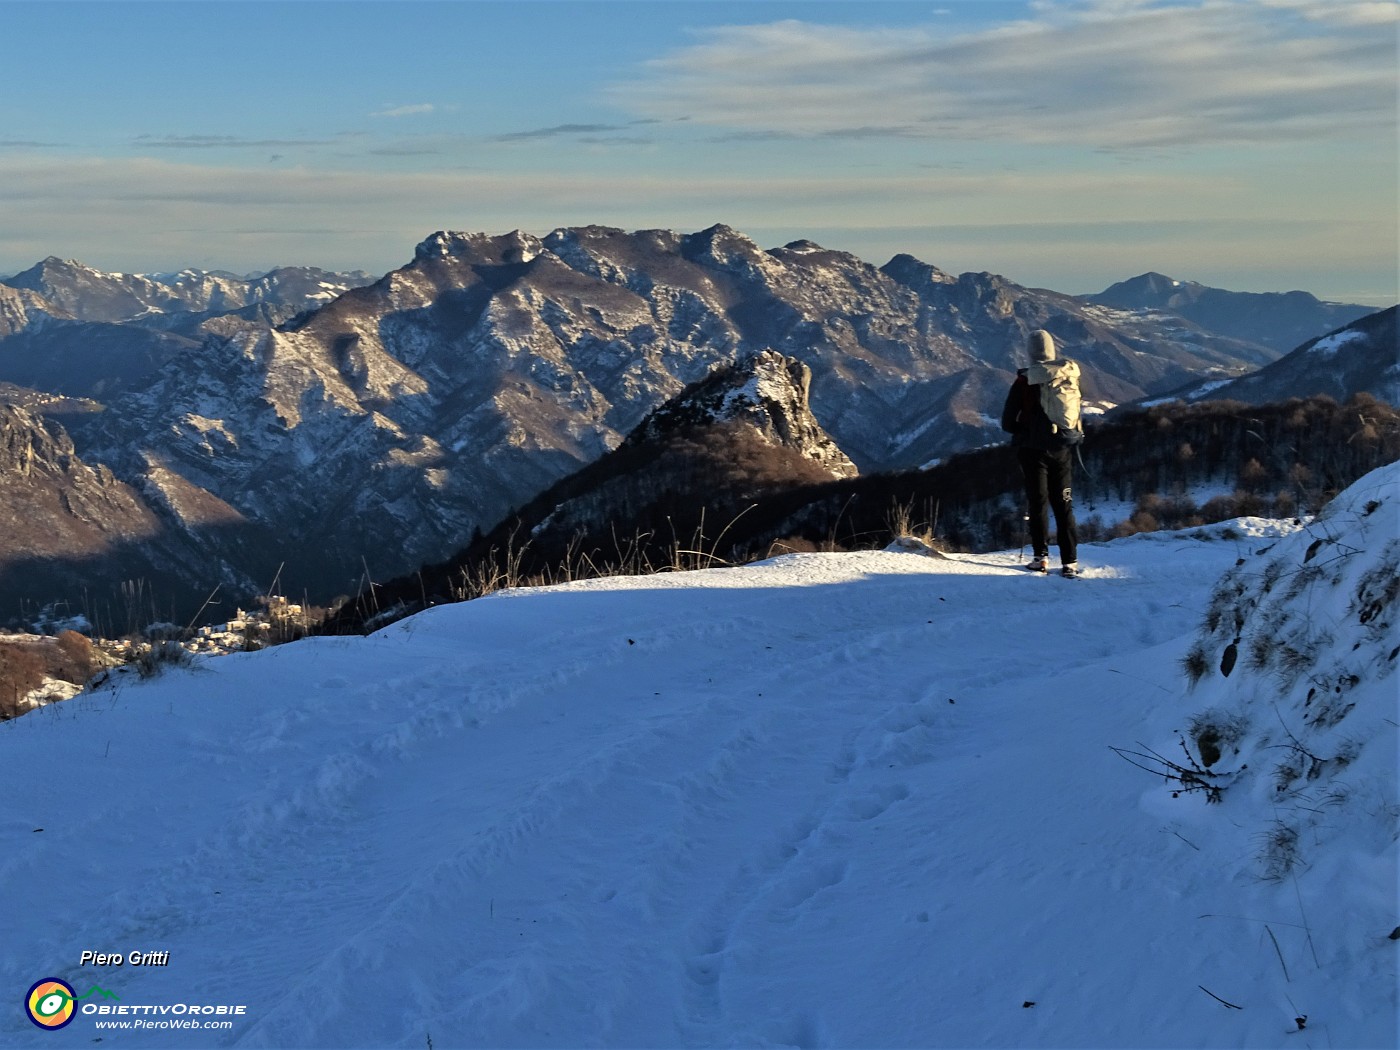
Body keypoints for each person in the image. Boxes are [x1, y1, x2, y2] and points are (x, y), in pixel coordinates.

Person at [1000, 330, 1081, 578]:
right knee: (1064, 505)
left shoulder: (1025, 380)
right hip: (1063, 448)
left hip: (1032, 450)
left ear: (1030, 352)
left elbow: (1007, 421)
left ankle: (1041, 558)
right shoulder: (1068, 374)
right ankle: (1070, 562)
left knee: (1039, 504)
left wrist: (1022, 430)